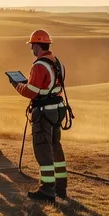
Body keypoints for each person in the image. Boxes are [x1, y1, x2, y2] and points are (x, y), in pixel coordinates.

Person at [13, 29, 69, 201]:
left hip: (44, 112)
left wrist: (17, 85)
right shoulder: (57, 62)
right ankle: (60, 187)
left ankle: (47, 189)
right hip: (57, 110)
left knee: (43, 149)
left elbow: (32, 92)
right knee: (55, 146)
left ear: (37, 45)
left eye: (32, 46)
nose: (32, 49)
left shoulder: (39, 65)